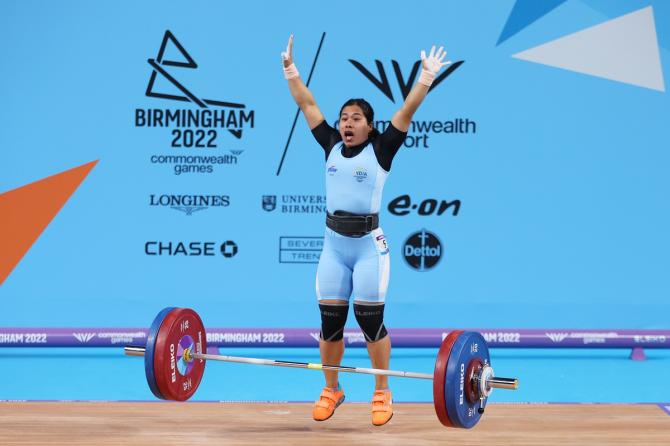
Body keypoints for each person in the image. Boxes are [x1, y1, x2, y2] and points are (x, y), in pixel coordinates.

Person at [281, 35, 450, 426]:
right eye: (343, 118)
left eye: (356, 118)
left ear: (370, 126)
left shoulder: (382, 149)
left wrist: (425, 79)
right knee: (329, 322)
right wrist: (291, 70)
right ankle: (332, 388)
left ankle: (381, 390)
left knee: (370, 322)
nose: (346, 124)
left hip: (369, 248)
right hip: (333, 247)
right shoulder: (329, 145)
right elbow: (306, 103)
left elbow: (407, 110)